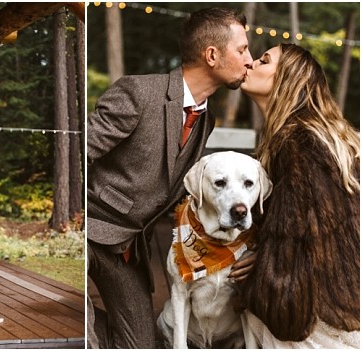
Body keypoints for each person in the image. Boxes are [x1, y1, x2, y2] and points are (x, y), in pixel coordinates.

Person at [86, 7, 252, 348]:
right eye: (242, 50)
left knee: (142, 344)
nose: (249, 59)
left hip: (130, 247)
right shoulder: (138, 92)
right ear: (211, 55)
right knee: (80, 330)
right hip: (88, 228)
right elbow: (79, 151)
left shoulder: (207, 119)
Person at [238, 43, 360, 348]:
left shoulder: (302, 143)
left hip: (317, 312)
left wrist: (262, 267)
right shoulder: (304, 135)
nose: (251, 63)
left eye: (264, 60)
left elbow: (300, 237)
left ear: (287, 79)